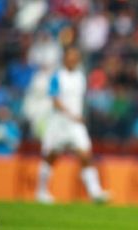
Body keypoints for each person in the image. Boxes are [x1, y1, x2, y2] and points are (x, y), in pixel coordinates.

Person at [36, 46, 109, 204]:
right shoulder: (57, 76)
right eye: (70, 56)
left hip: (76, 124)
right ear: (65, 58)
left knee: (85, 155)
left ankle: (95, 192)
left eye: (76, 56)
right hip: (59, 123)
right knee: (51, 157)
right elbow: (55, 101)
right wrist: (72, 115)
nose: (73, 59)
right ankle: (41, 192)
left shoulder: (80, 77)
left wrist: (78, 116)